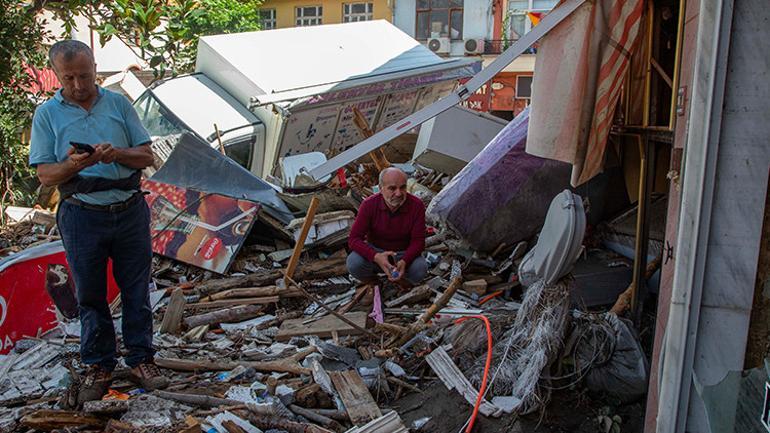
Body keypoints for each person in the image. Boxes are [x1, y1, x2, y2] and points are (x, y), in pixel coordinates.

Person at [29, 40, 167, 405]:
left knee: (137, 290)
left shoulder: (118, 103)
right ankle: (98, 364)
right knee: (90, 294)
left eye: (85, 76)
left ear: (96, 68)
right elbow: (45, 175)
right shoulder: (47, 115)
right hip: (81, 214)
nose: (78, 85)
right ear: (56, 76)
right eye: (69, 77)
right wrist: (75, 165)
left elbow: (146, 156)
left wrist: (115, 153)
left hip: (129, 209)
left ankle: (141, 359)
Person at [347, 167, 428, 286]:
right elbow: (353, 239)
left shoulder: (416, 205)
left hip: (403, 253)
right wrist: (376, 256)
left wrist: (405, 260)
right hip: (376, 251)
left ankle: (403, 283)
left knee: (420, 268)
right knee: (353, 263)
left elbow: (419, 241)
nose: (399, 193)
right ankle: (374, 283)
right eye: (392, 188)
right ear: (380, 188)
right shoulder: (369, 205)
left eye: (402, 187)